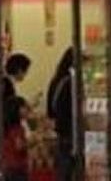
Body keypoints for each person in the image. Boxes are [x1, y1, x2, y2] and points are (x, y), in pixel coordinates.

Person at [46, 47, 74, 181]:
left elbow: (50, 112)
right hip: (71, 132)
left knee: (62, 170)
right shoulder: (71, 83)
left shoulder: (56, 81)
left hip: (61, 132)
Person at [2, 96, 30, 181]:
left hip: (7, 166)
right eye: (24, 107)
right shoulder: (17, 128)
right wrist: (33, 142)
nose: (27, 110)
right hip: (18, 168)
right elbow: (19, 146)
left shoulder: (6, 127)